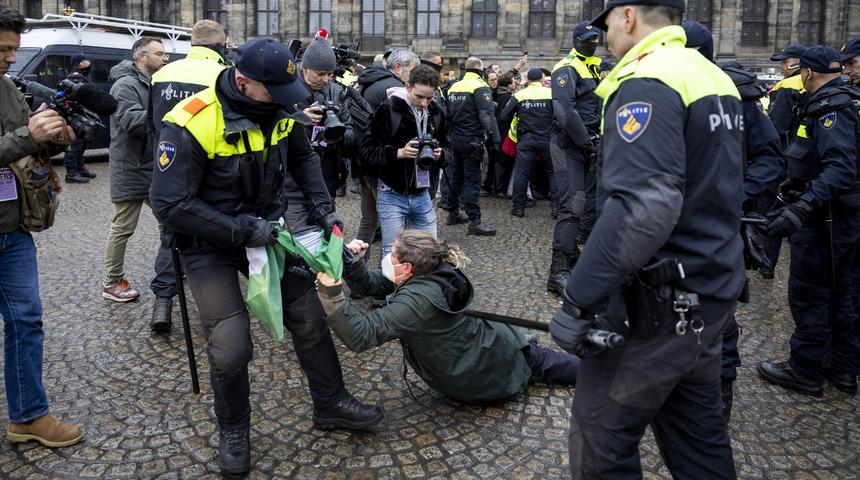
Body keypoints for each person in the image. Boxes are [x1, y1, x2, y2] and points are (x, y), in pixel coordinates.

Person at [150, 38, 382, 475]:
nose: (285, 102)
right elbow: (170, 204)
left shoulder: (280, 110)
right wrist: (240, 230)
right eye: (275, 92)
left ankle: (330, 403)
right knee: (231, 344)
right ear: (243, 82)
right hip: (209, 243)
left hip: (269, 233)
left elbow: (304, 162)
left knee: (310, 316)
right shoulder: (190, 121)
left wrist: (325, 209)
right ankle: (233, 428)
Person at [549, 1, 745, 477]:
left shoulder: (648, 79)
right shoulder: (711, 75)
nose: (604, 38)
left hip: (655, 308)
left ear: (628, 16)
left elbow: (643, 207)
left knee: (601, 440)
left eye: (605, 26)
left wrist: (578, 301)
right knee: (698, 442)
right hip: (710, 291)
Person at [315, 230, 580, 403]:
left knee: (541, 362)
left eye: (392, 254)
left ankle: (609, 373)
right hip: (484, 346)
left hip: (483, 366)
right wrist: (352, 263)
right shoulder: (430, 267)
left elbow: (362, 335)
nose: (388, 257)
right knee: (536, 356)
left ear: (407, 267)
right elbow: (374, 284)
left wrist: (331, 295)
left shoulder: (416, 302)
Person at [685, 20, 785, 422]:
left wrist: (734, 193)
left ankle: (719, 388)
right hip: (667, 224)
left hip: (718, 224)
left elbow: (769, 157)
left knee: (717, 312)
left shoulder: (735, 94)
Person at [0, 3, 83, 448]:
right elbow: (17, 139)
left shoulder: (8, 87)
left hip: (11, 228)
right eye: (3, 49)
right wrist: (27, 136)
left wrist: (52, 138)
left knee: (26, 321)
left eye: (14, 49)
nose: (12, 57)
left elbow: (22, 143)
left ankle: (28, 416)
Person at [758, 45, 860, 397]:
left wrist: (803, 207)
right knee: (841, 292)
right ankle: (844, 369)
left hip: (826, 220)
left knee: (811, 294)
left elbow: (840, 168)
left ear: (807, 74)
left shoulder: (830, 108)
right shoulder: (850, 99)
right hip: (842, 217)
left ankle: (805, 369)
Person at [147, 19, 228, 333]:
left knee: (171, 234)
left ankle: (163, 302)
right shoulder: (223, 75)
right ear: (220, 46)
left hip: (168, 166)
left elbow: (152, 124)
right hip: (210, 170)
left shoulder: (163, 73)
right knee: (214, 235)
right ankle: (217, 309)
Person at [101, 37, 167, 302]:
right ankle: (111, 281)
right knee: (123, 227)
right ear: (142, 57)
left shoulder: (153, 82)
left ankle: (173, 265)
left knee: (171, 219)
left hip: (153, 165)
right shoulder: (124, 85)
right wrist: (165, 113)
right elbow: (130, 121)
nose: (165, 58)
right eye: (159, 54)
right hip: (130, 167)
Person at [360, 65, 449, 257]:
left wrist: (440, 156)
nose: (425, 103)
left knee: (429, 252)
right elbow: (366, 151)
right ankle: (391, 287)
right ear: (408, 87)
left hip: (423, 192)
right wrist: (398, 153)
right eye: (420, 97)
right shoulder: (388, 110)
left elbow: (449, 150)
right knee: (393, 253)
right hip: (392, 192)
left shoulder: (437, 113)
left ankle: (421, 287)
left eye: (430, 98)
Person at [548, 20, 603, 297]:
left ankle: (572, 255)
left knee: (587, 205)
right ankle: (557, 272)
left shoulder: (593, 66)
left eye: (596, 38)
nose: (593, 42)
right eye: (588, 38)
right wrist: (586, 144)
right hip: (569, 144)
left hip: (589, 143)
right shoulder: (566, 68)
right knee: (572, 205)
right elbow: (564, 110)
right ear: (577, 39)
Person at [355, 49, 420, 257]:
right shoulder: (394, 89)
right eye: (413, 70)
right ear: (399, 68)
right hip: (382, 164)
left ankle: (358, 272)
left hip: (364, 161)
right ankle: (395, 273)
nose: (415, 76)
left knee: (369, 220)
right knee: (393, 221)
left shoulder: (371, 81)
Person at [444, 56, 500, 236]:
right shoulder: (480, 86)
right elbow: (485, 115)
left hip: (455, 138)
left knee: (456, 176)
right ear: (480, 70)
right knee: (473, 180)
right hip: (472, 140)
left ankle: (452, 213)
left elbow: (448, 114)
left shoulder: (454, 86)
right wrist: (495, 138)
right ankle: (475, 221)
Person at [299, 38, 359, 200]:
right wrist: (301, 120)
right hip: (294, 179)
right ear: (304, 69)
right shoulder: (289, 91)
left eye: (329, 74)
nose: (325, 79)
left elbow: (351, 134)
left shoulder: (336, 92)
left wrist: (337, 137)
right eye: (320, 74)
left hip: (327, 174)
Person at [501, 68, 555, 218]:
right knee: (553, 173)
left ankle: (518, 208)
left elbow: (504, 115)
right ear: (542, 80)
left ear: (528, 80)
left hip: (526, 139)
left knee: (522, 173)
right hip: (547, 138)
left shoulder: (519, 95)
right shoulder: (551, 94)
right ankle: (556, 208)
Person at [62, 53, 96, 184]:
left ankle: (80, 169)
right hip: (76, 117)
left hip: (83, 116)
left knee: (82, 144)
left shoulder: (82, 77)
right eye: (86, 61)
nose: (89, 63)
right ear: (79, 64)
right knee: (75, 145)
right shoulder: (76, 78)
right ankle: (71, 173)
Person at [768, 44, 807, 147]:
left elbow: (776, 123)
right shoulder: (812, 81)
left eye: (785, 62)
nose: (781, 66)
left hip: (788, 146)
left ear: (799, 63)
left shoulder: (787, 85)